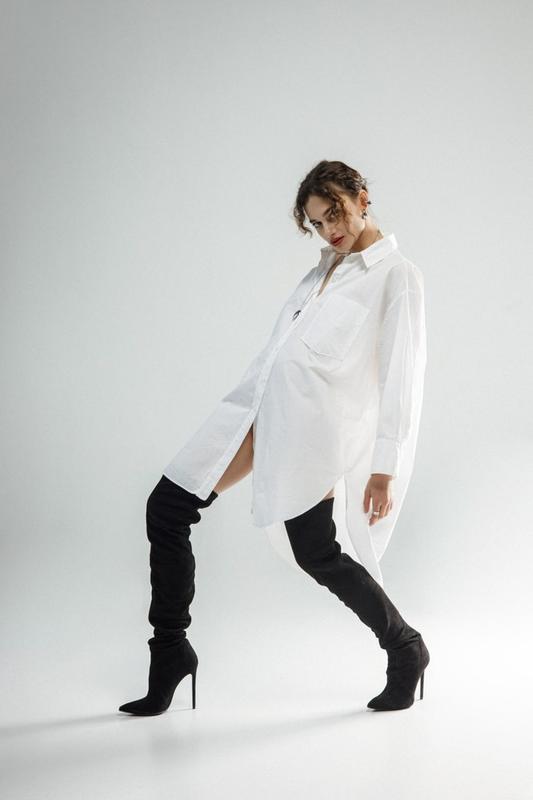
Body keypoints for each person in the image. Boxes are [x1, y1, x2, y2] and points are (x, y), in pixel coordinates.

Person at [118, 159, 430, 717]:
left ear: (361, 197)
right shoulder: (322, 271)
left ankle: (405, 647)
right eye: (317, 222)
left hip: (310, 435)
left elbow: (402, 373)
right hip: (253, 412)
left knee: (317, 552)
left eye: (335, 212)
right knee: (167, 508)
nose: (329, 229)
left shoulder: (396, 275)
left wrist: (385, 466)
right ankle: (169, 651)